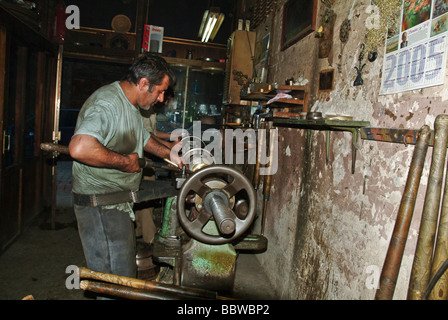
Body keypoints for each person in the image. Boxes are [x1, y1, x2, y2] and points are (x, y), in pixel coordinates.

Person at [68, 53, 182, 284]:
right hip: (100, 205)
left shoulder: (129, 105)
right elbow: (80, 147)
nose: (161, 99)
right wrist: (124, 162)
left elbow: (140, 137)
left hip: (116, 202)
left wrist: (169, 153)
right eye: (159, 91)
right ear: (143, 83)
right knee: (115, 282)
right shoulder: (108, 103)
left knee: (123, 277)